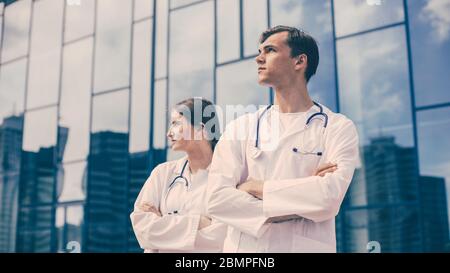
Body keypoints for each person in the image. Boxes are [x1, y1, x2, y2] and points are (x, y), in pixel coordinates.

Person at [206, 26, 360, 252]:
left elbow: (327, 198)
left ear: (299, 61)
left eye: (269, 50)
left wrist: (253, 186)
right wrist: (302, 200)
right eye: (259, 51)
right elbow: (217, 200)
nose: (259, 59)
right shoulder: (241, 127)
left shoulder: (337, 127)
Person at [131, 98, 227, 253]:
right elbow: (144, 229)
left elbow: (225, 236)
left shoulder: (228, 174)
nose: (169, 133)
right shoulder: (162, 174)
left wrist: (163, 221)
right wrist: (201, 223)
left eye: (176, 123)